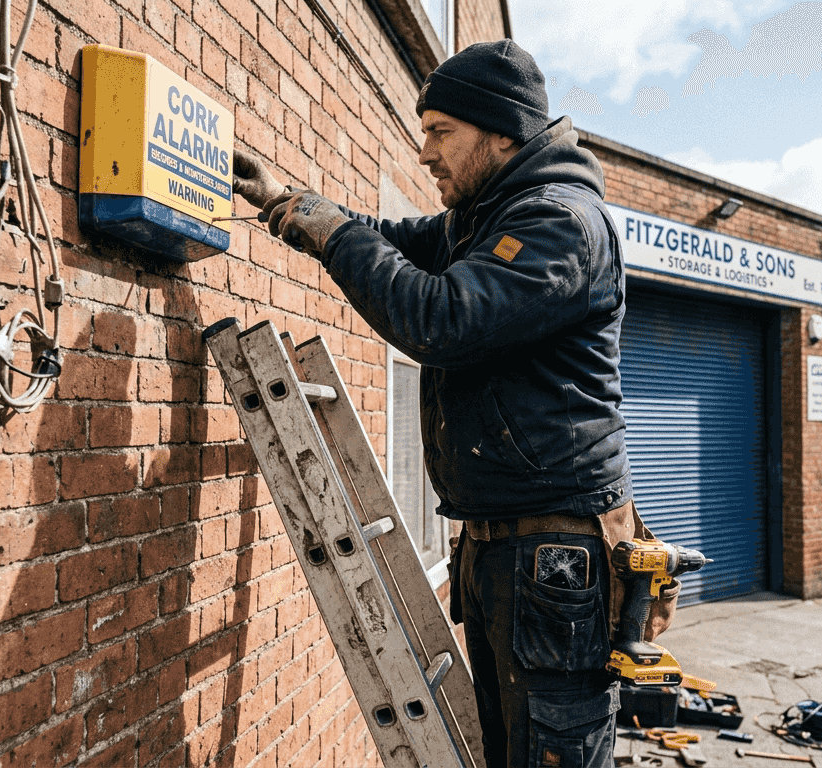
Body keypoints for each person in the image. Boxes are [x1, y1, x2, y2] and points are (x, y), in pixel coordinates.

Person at [232, 38, 675, 768]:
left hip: (551, 561)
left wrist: (324, 224)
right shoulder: (482, 219)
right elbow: (379, 239)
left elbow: (437, 320)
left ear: (502, 133)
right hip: (505, 550)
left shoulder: (557, 224)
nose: (426, 152)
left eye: (442, 132)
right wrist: (286, 199)